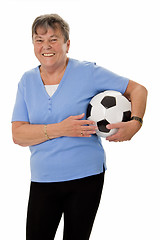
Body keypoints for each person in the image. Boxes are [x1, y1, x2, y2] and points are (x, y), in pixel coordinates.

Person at [12, 14, 147, 240]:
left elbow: (138, 90)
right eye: (39, 40)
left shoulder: (87, 72)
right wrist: (60, 129)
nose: (46, 46)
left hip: (86, 176)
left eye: (53, 39)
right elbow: (18, 134)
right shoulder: (26, 81)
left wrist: (136, 123)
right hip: (44, 178)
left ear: (67, 44)